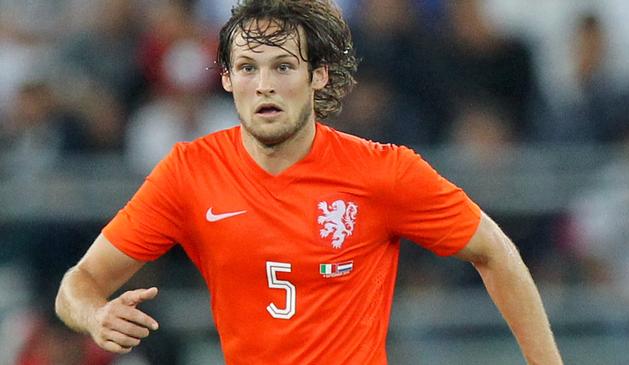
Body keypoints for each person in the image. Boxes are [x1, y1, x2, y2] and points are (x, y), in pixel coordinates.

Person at [55, 1, 563, 364]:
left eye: (283, 66)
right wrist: (95, 315)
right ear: (228, 80)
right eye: (248, 68)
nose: (266, 85)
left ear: (318, 75)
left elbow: (496, 252)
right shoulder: (189, 172)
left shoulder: (383, 172)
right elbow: (76, 286)